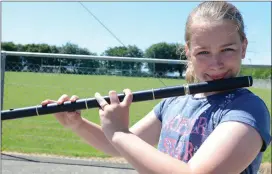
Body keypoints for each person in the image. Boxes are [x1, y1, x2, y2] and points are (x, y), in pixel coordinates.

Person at [42, 2, 271, 174]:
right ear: (188, 52)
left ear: (243, 48)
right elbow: (117, 145)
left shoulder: (247, 109)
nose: (216, 63)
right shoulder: (174, 102)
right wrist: (78, 124)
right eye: (203, 52)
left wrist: (120, 133)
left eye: (227, 49)